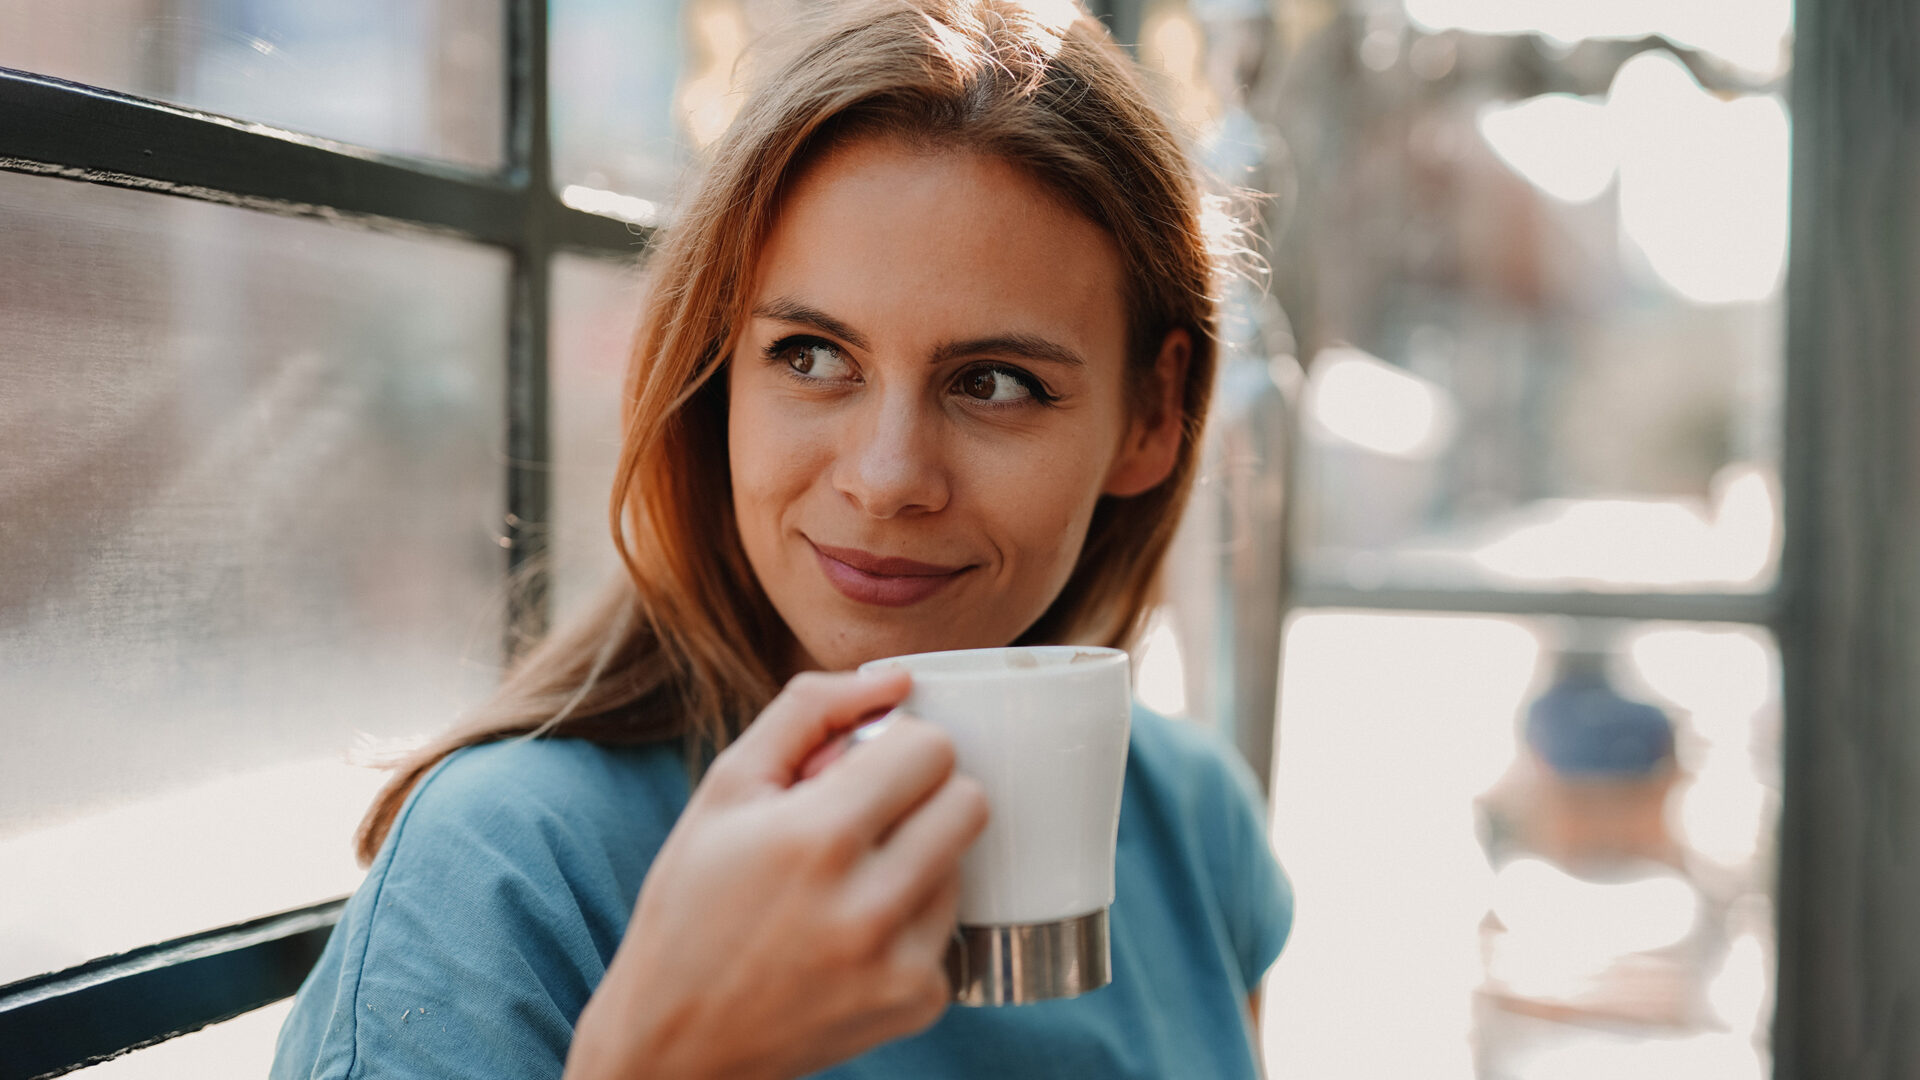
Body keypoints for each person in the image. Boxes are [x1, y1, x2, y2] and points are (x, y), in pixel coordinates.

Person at [270, 0, 1291, 1075]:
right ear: (714, 375)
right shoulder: (509, 871)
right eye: (809, 356)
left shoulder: (1191, 824)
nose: (887, 478)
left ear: (1152, 412)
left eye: (994, 383)